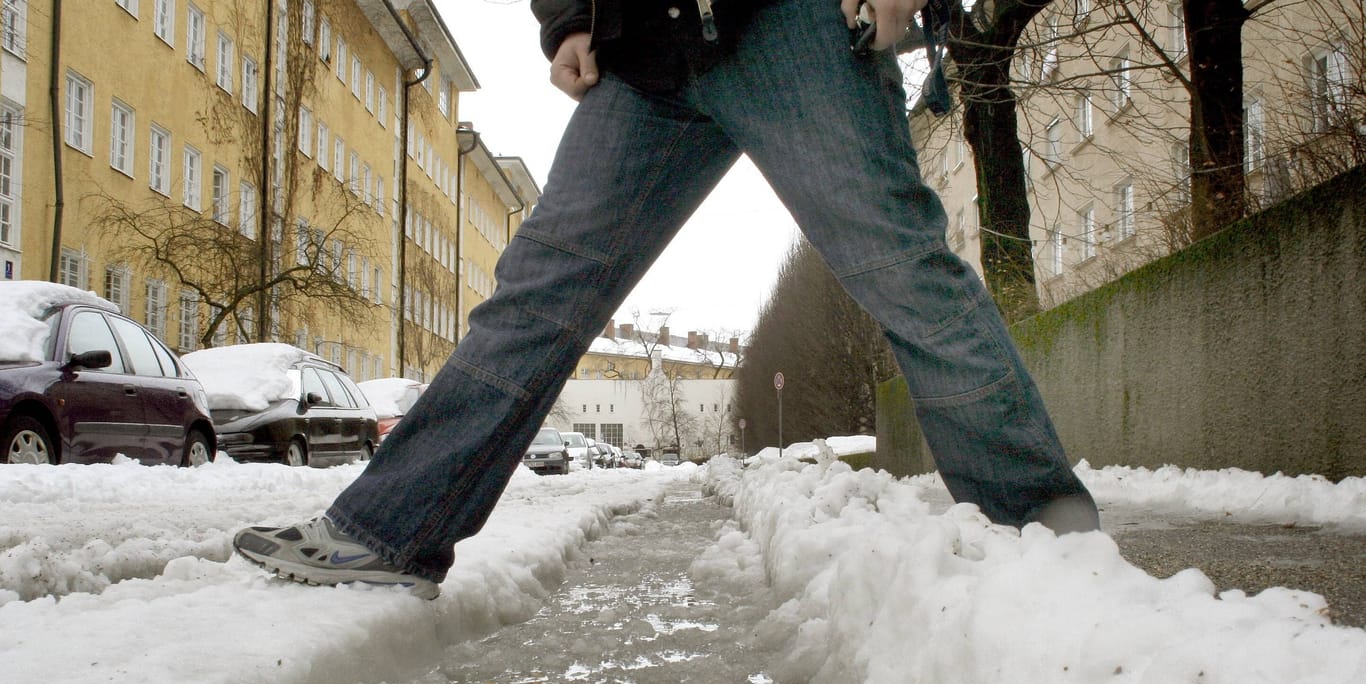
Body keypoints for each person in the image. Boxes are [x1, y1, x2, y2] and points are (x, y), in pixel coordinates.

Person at [233, 0, 1100, 600]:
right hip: (644, 52)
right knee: (535, 297)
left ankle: (1046, 527)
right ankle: (389, 531)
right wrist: (567, 18)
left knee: (902, 267)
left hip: (796, 29)